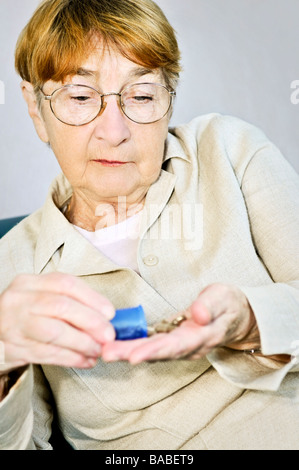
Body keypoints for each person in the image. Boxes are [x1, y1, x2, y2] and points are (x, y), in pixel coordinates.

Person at [0, 0, 299, 451]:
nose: (114, 131)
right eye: (80, 97)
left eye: (141, 95)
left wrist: (249, 321)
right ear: (36, 109)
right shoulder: (12, 269)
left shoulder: (230, 151)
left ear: (169, 98)